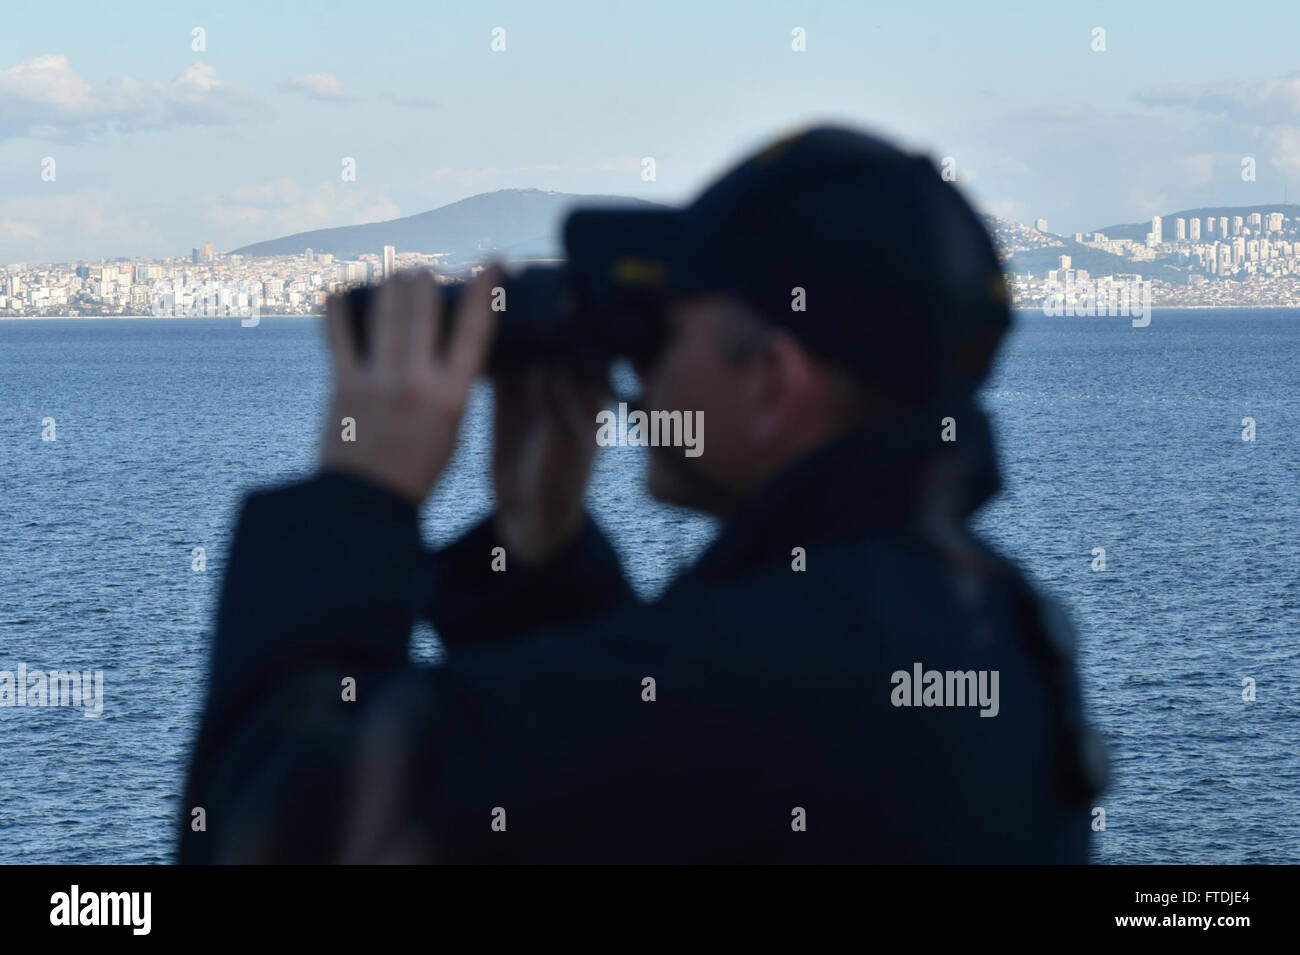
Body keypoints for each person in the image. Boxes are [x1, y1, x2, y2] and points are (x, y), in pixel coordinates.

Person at [179, 125, 1106, 863]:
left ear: (772, 382)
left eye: (654, 336)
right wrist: (540, 563)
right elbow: (636, 798)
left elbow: (271, 832)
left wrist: (361, 490)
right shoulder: (974, 612)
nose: (636, 384)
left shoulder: (788, 662)